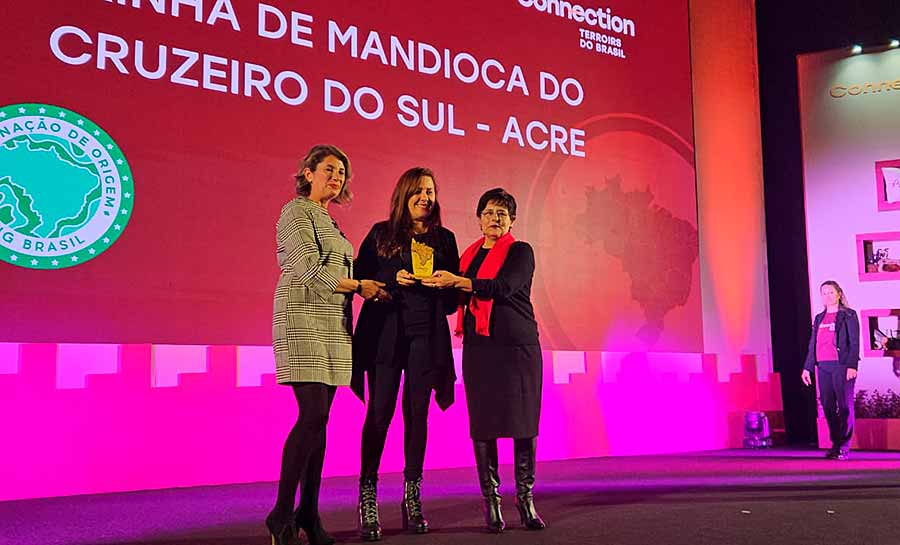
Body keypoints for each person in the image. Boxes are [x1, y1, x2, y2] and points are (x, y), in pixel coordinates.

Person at [267, 145, 386, 545]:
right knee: (312, 415)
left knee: (322, 422)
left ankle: (309, 514)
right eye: (330, 169)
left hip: (334, 322)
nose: (337, 177)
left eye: (342, 173)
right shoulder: (295, 211)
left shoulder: (331, 222)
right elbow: (307, 270)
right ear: (307, 172)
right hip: (302, 317)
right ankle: (282, 513)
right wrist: (359, 286)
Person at [426, 187, 546, 533]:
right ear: (479, 218)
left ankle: (525, 499)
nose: (495, 218)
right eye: (489, 212)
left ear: (511, 221)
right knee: (483, 424)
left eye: (502, 213)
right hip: (479, 347)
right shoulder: (467, 256)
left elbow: (503, 287)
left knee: (523, 423)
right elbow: (456, 297)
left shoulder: (521, 251)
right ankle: (491, 501)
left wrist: (459, 281)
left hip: (517, 347)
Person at [351, 167, 460, 540]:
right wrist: (389, 278)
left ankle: (412, 497)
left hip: (426, 340)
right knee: (379, 414)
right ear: (404, 194)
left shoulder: (445, 239)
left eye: (430, 191)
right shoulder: (381, 234)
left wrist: (444, 284)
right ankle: (368, 497)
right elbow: (361, 280)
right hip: (385, 337)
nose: (425, 197)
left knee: (417, 417)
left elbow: (450, 305)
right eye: (418, 190)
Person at [801, 280, 860, 460]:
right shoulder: (819, 317)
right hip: (823, 366)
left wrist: (852, 365)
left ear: (839, 294)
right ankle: (836, 443)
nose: (827, 296)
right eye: (824, 293)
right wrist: (807, 367)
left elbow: (854, 342)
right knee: (827, 406)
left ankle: (844, 447)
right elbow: (814, 343)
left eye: (831, 292)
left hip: (841, 366)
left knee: (844, 407)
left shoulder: (848, 315)